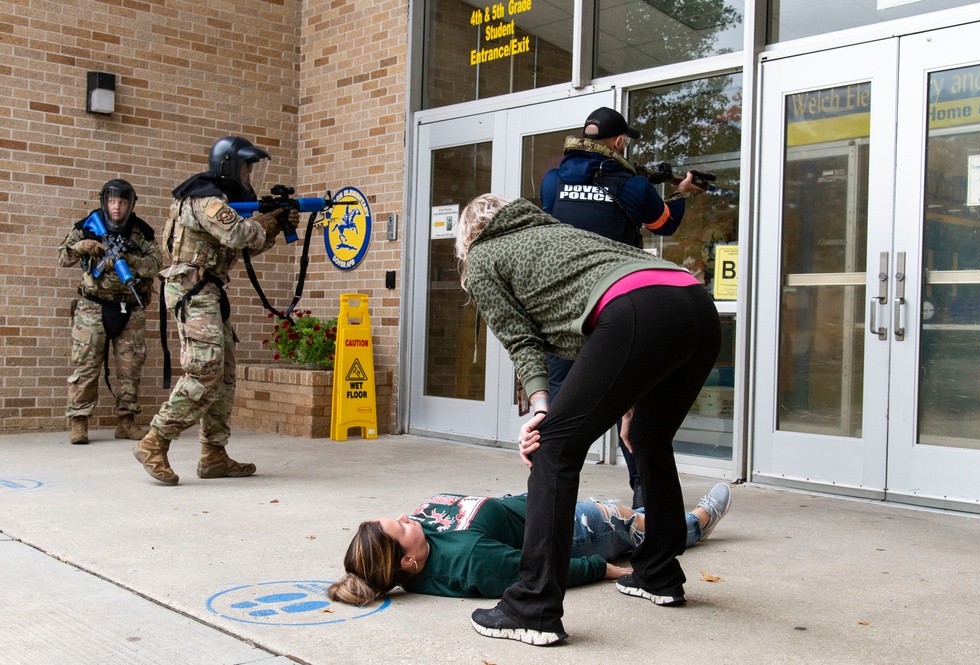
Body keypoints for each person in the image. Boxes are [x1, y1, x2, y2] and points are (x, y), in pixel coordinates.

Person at [455, 194, 722, 645]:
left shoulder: (483, 256)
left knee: (553, 447)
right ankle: (658, 572)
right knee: (649, 437)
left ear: (466, 236)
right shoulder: (557, 233)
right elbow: (615, 332)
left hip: (640, 310)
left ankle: (533, 607)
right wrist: (630, 399)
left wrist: (542, 409)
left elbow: (523, 341)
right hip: (695, 303)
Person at [541, 106, 705, 509]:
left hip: (565, 307)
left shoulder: (552, 180)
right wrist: (682, 192)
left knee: (560, 404)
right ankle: (645, 495)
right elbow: (663, 223)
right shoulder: (630, 185)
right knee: (630, 400)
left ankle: (546, 495)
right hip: (615, 306)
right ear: (618, 142)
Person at [133, 136, 299, 485]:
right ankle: (154, 441)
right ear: (228, 165)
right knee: (205, 370)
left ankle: (214, 455)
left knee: (223, 374)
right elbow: (239, 234)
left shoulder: (220, 200)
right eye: (245, 167)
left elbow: (240, 249)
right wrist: (268, 223)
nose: (249, 174)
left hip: (208, 289)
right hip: (194, 290)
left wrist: (275, 227)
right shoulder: (204, 198)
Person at [327, 483, 731, 606]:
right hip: (574, 531)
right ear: (408, 562)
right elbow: (535, 570)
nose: (403, 517)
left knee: (631, 512)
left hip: (545, 506)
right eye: (399, 527)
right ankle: (696, 523)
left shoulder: (420, 549)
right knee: (633, 523)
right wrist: (604, 569)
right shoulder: (470, 563)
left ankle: (654, 516)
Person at [58, 179, 163, 445]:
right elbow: (63, 257)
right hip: (93, 304)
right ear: (104, 201)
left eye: (122, 202)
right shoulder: (86, 227)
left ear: (130, 204)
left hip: (131, 306)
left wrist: (129, 260)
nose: (116, 207)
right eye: (112, 201)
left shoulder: (142, 232)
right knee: (86, 365)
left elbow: (155, 265)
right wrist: (81, 247)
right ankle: (79, 422)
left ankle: (126, 422)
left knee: (131, 367)